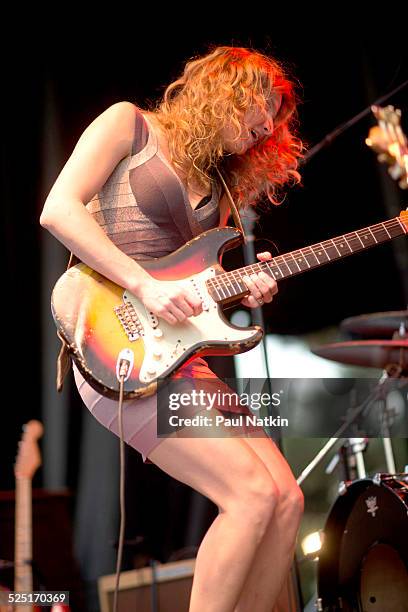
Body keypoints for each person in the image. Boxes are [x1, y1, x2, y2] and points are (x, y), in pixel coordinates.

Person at [40, 46, 304, 612]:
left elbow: (202, 282)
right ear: (226, 89)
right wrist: (144, 285)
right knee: (251, 496)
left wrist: (244, 285)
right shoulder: (128, 125)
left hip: (183, 359)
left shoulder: (224, 188)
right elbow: (58, 210)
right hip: (118, 348)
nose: (267, 128)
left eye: (275, 124)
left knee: (286, 499)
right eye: (263, 110)